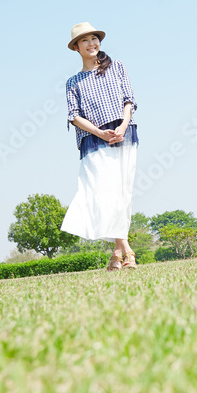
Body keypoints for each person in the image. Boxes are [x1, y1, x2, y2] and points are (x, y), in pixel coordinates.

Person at [60, 22, 140, 270]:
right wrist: (100, 133)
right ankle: (127, 251)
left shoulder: (117, 67)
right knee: (102, 192)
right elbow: (73, 115)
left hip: (123, 132)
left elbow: (129, 100)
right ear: (76, 47)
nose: (91, 43)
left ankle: (118, 254)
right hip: (94, 139)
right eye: (85, 40)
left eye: (94, 38)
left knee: (122, 191)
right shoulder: (73, 81)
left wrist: (123, 127)